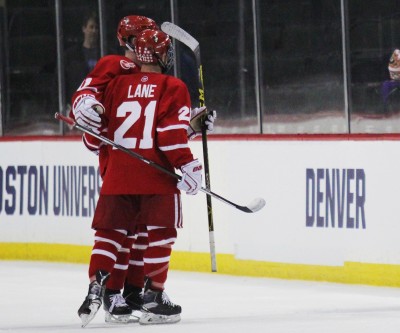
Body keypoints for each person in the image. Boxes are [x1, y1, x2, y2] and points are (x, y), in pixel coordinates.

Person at [72, 16, 216, 326]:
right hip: (151, 174)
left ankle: (125, 291)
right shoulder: (121, 69)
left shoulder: (121, 85)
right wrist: (188, 163)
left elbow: (101, 134)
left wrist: (190, 127)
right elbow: (164, 134)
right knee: (148, 234)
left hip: (119, 172)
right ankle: (127, 293)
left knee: (122, 235)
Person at [64, 11, 100, 102]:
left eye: (96, 28)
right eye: (91, 27)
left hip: (100, 103)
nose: (94, 31)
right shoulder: (70, 55)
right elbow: (62, 81)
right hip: (78, 103)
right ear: (84, 29)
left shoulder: (107, 53)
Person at [381, 49, 400, 113]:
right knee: (385, 84)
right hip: (394, 82)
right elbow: (388, 76)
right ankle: (385, 105)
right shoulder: (391, 65)